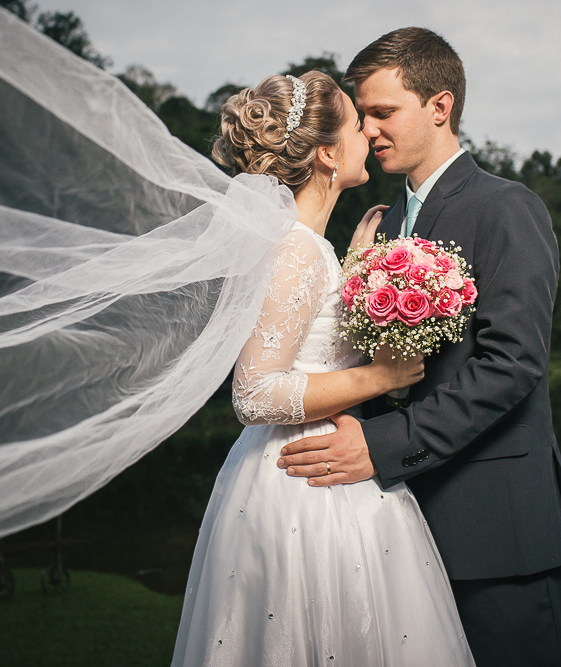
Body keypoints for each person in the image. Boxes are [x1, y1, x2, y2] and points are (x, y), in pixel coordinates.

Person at [277, 28, 561, 667]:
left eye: (383, 111)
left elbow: (512, 364)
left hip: (497, 531)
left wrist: (380, 444)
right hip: (397, 532)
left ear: (440, 106)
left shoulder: (506, 207)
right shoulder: (381, 225)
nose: (368, 129)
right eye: (362, 114)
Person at [170, 72, 475, 666]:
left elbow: (310, 342)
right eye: (357, 125)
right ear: (329, 154)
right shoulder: (297, 249)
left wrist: (357, 268)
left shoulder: (311, 246)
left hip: (318, 462)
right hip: (303, 482)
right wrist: (379, 378)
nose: (369, 134)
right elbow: (254, 393)